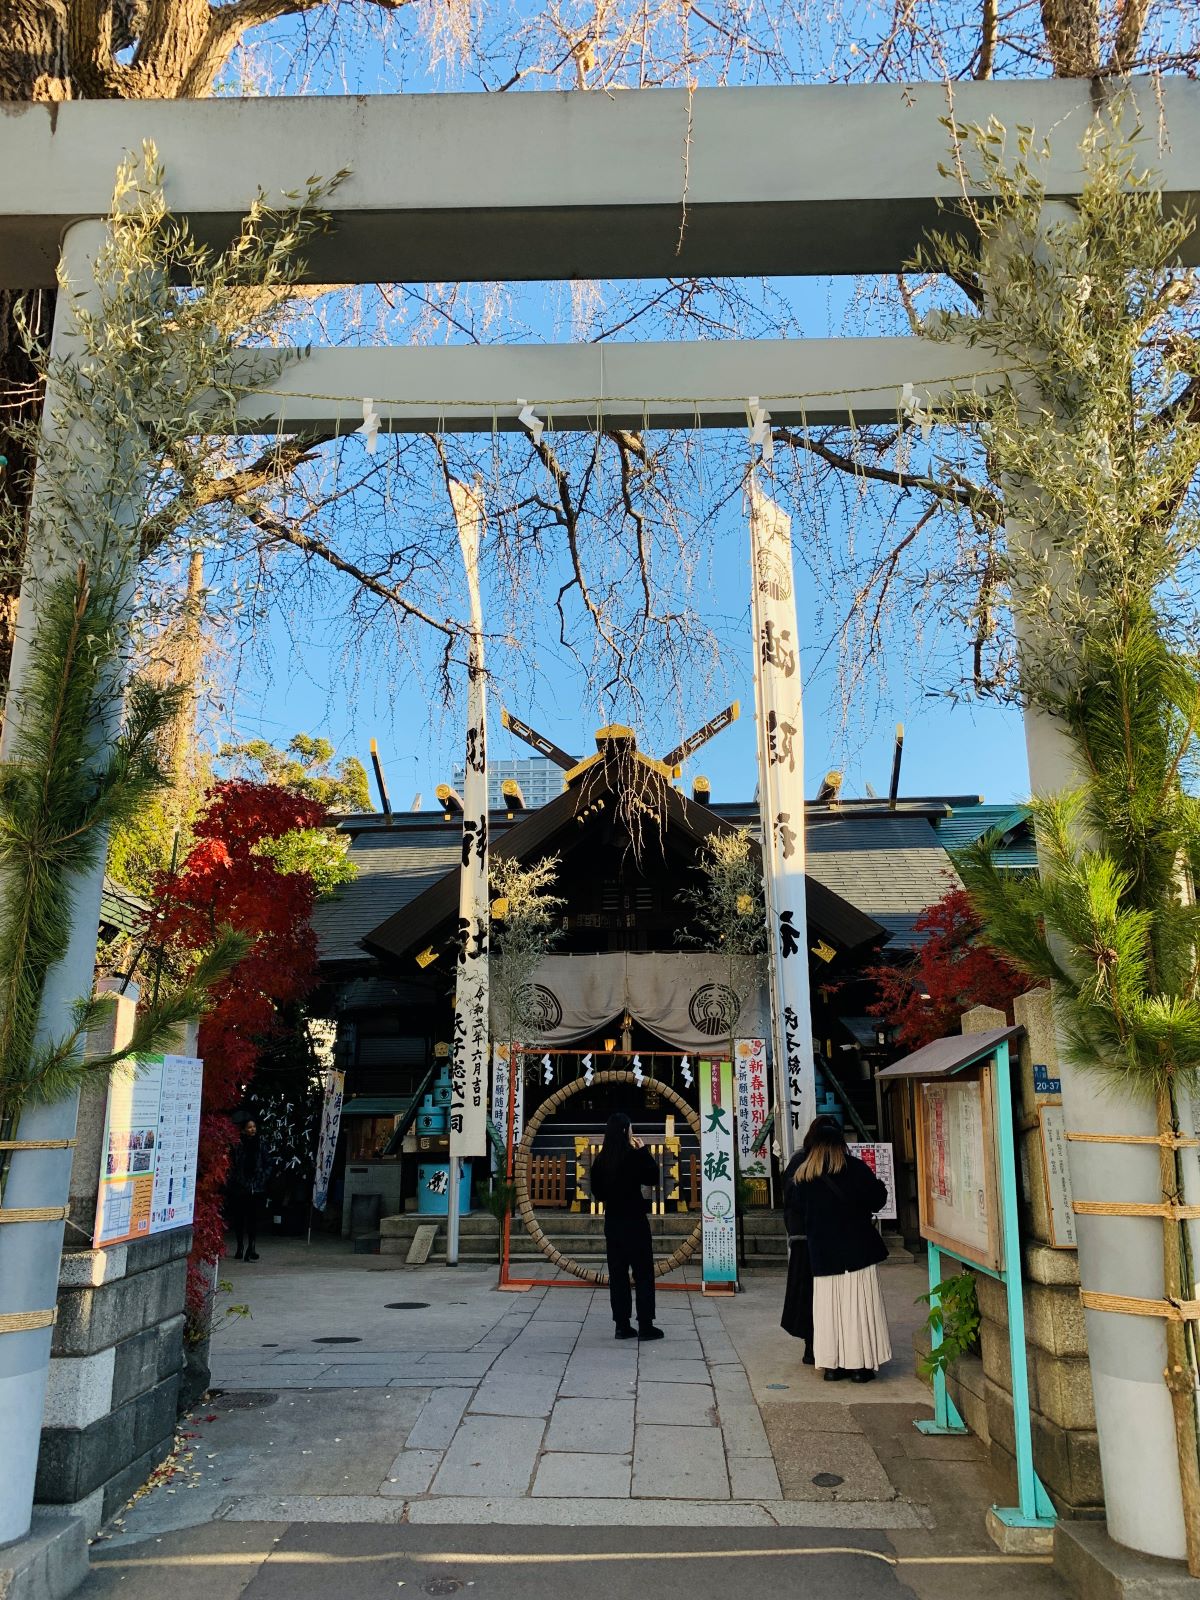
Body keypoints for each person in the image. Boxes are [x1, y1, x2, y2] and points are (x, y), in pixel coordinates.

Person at [784, 1116, 891, 1383]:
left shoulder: (803, 1175)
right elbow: (878, 1197)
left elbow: (795, 1210)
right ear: (841, 1141)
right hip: (857, 1252)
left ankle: (832, 1366)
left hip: (822, 1255)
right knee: (858, 1307)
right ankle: (860, 1366)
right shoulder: (855, 1168)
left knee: (828, 1310)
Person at [589, 1112, 664, 1341]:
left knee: (618, 1274)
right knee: (643, 1273)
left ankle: (621, 1325)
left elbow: (598, 1193)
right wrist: (643, 1152)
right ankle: (645, 1325)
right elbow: (652, 1177)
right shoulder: (633, 1156)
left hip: (613, 1221)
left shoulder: (601, 1160)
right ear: (625, 1131)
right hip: (635, 1221)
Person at [780, 1132, 818, 1366]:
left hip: (805, 1237)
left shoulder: (799, 1162)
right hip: (812, 1239)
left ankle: (812, 1345)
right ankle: (812, 1345)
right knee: (813, 1295)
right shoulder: (805, 1161)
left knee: (807, 1293)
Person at [229, 1119, 270, 1262]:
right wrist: (236, 1179)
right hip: (241, 1186)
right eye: (249, 1127)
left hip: (256, 1186)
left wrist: (262, 1177)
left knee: (253, 1219)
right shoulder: (238, 1144)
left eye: (254, 1126)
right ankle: (240, 1246)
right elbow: (233, 1164)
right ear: (244, 1129)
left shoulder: (261, 1143)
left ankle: (251, 1248)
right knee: (239, 1218)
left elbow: (267, 1163)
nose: (252, 1129)